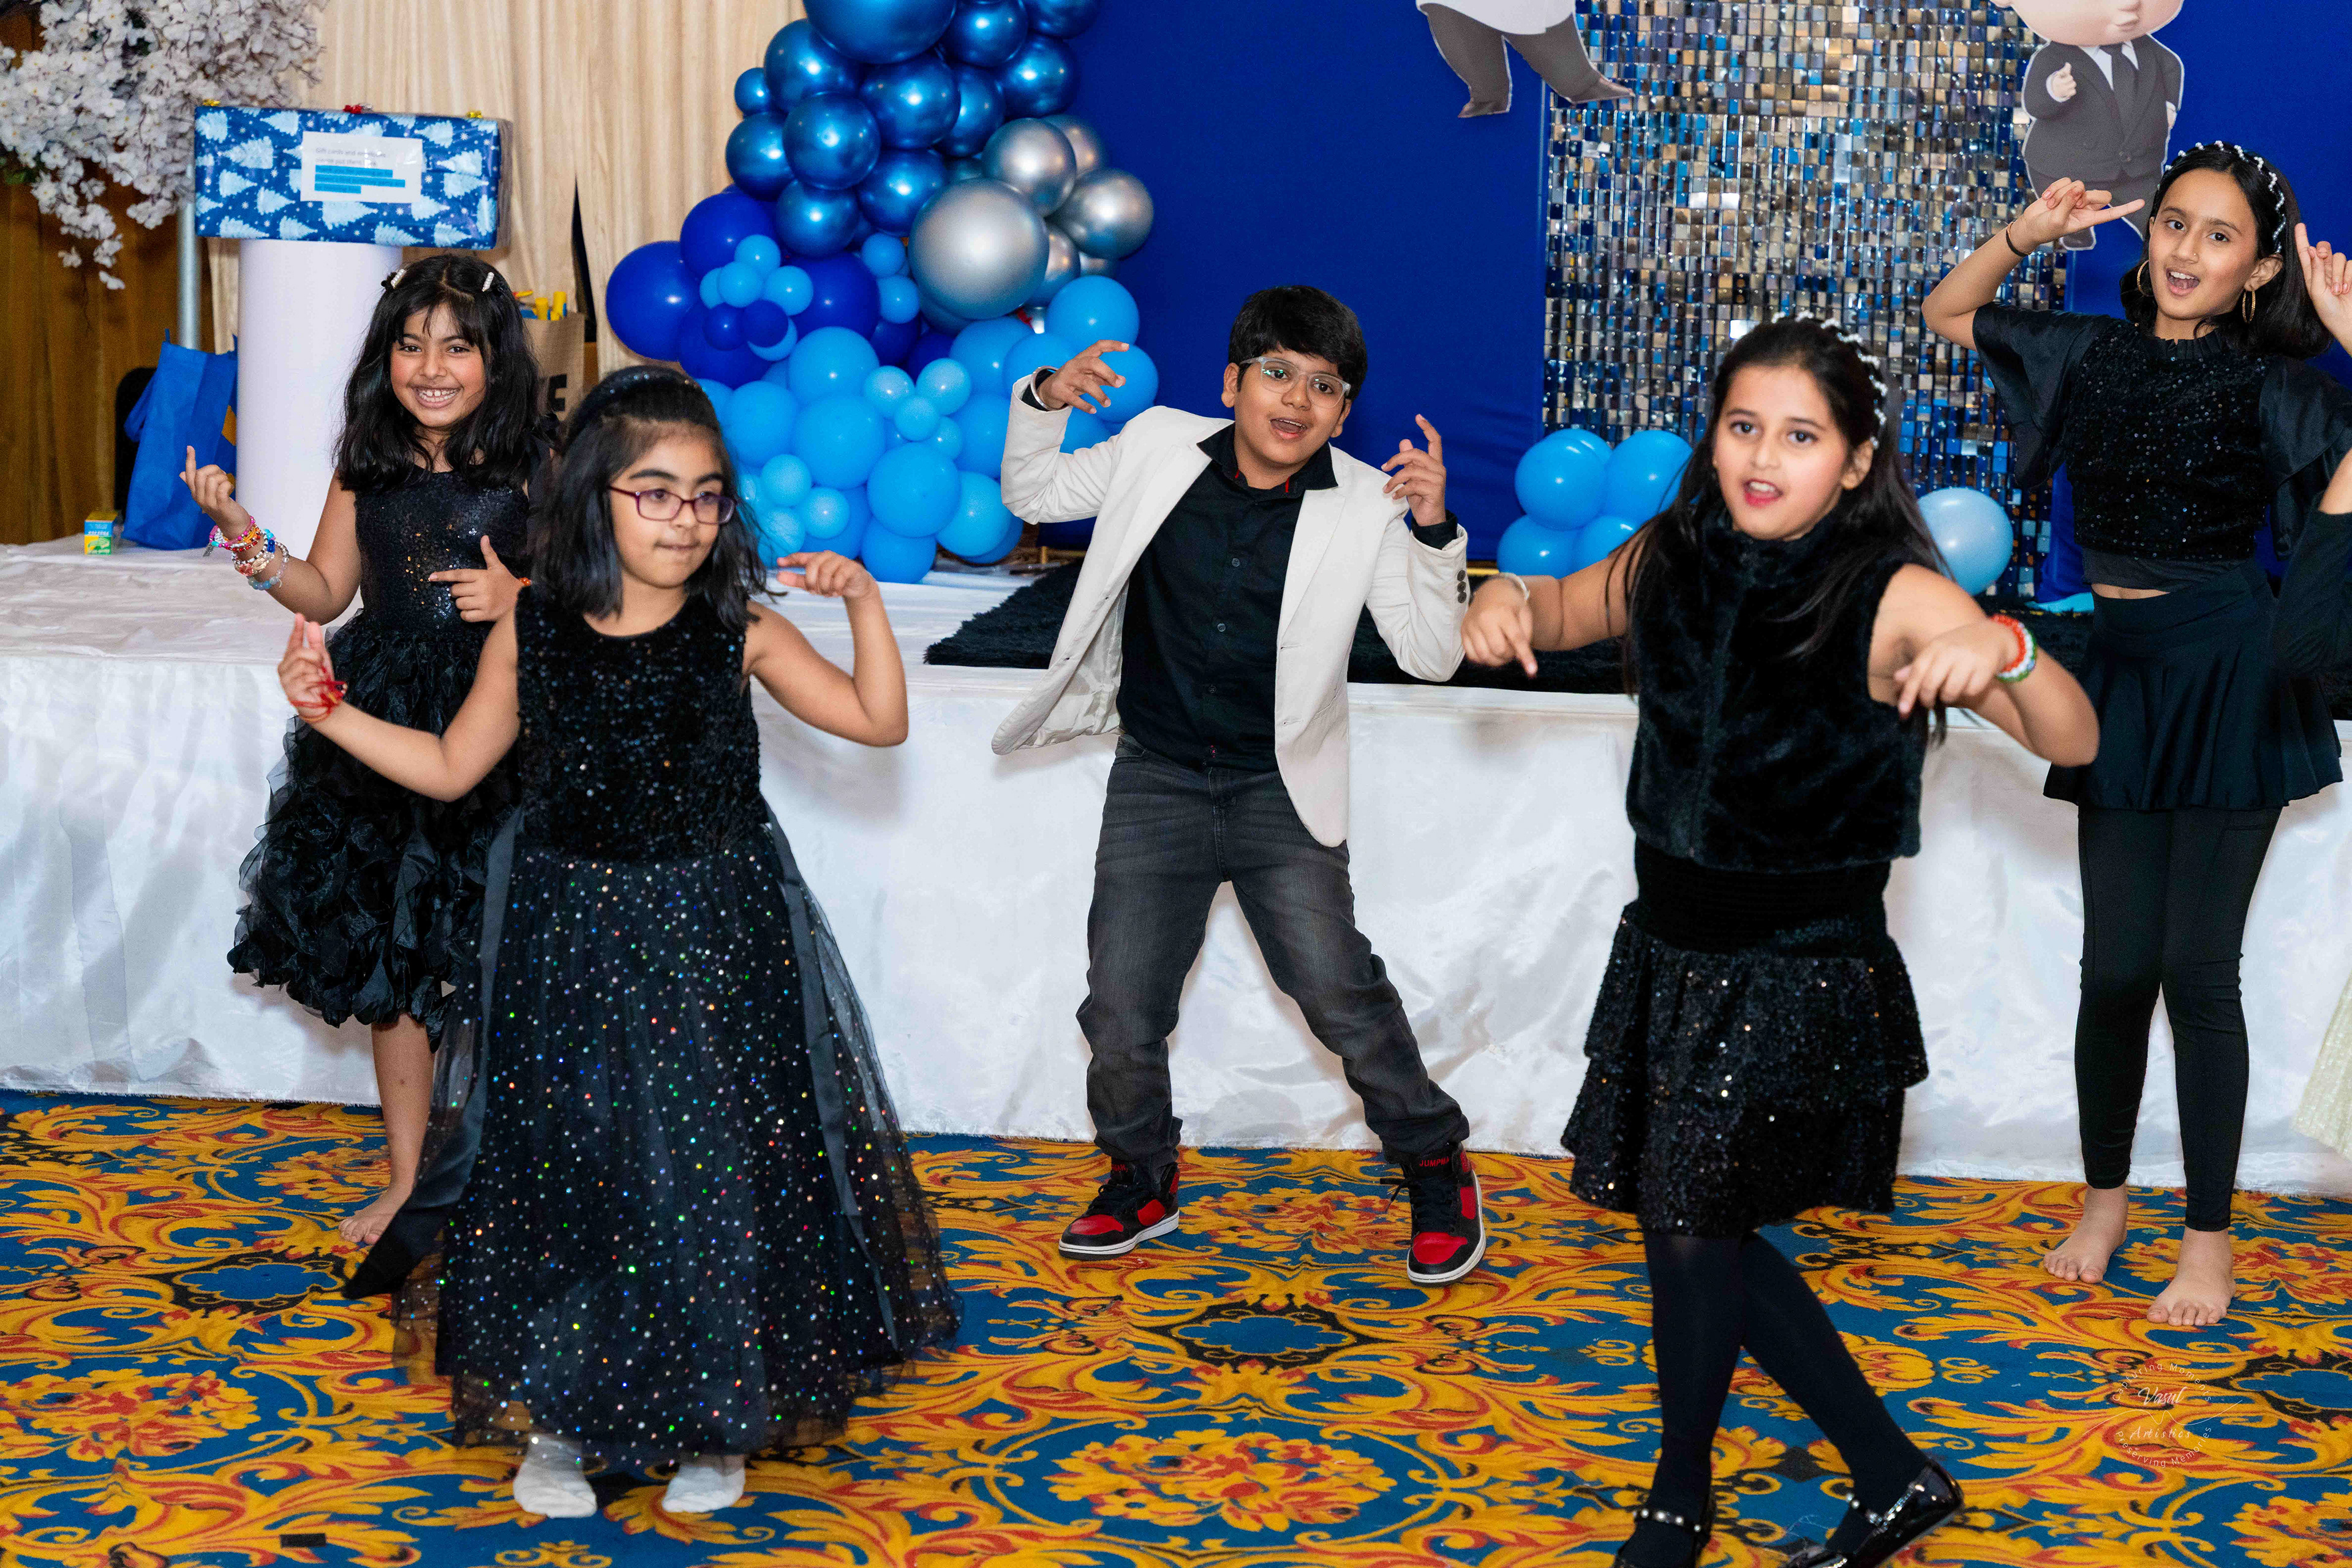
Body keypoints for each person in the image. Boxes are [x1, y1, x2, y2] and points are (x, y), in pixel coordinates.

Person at [1461, 316, 2098, 1568]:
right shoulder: (1673, 550)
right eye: (1743, 426)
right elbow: (1558, 604)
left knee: (1691, 1227)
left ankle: (1680, 1495)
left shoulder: (1898, 592)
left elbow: (2074, 740)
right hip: (1672, 948)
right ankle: (1892, 1475)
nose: (1762, 457)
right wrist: (1498, 594)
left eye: (1801, 436)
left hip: (1798, 968)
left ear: (1855, 462)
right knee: (1693, 1225)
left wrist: (2009, 643)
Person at [285, 366, 959, 1518]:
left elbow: (878, 720)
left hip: (715, 935)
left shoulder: (738, 630)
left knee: (709, 1174)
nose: (684, 518)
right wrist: (330, 711)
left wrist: (863, 605)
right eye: (655, 493)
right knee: (570, 1171)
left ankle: (716, 1416)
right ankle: (557, 1420)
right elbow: (449, 767)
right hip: (569, 939)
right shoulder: (534, 628)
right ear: (596, 497)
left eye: (705, 496)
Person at [1924, 148, 2352, 1327]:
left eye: (2220, 236)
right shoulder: (2090, 353)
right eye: (2173, 223)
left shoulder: (2274, 386)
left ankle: (2208, 1242)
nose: (2185, 250)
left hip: (2230, 673)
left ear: (2258, 270)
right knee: (2115, 971)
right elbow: (1948, 312)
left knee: (2196, 973)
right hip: (2117, 673)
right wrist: (2025, 234)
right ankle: (2106, 1200)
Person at [992, 285, 1486, 1284]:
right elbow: (1034, 496)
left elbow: (1432, 655)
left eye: (1324, 386)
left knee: (1337, 989)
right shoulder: (1156, 446)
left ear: (1344, 413)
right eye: (1277, 373)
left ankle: (1435, 1160)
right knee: (1121, 1006)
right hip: (1158, 778)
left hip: (1279, 790)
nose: (1296, 400)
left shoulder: (1369, 504)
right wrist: (1044, 396)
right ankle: (1142, 1174)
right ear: (1232, 383)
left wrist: (1435, 531)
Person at [183, 254, 541, 1246]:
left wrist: (521, 598)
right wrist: (243, 534)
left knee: (508, 961)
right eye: (411, 346)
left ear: (496, 358)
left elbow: (598, 600)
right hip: (381, 725)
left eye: (457, 348)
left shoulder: (535, 467)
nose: (431, 368)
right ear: (385, 358)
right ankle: (409, 1181)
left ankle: (524, 1177)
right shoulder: (367, 466)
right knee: (400, 965)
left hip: (502, 718)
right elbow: (325, 591)